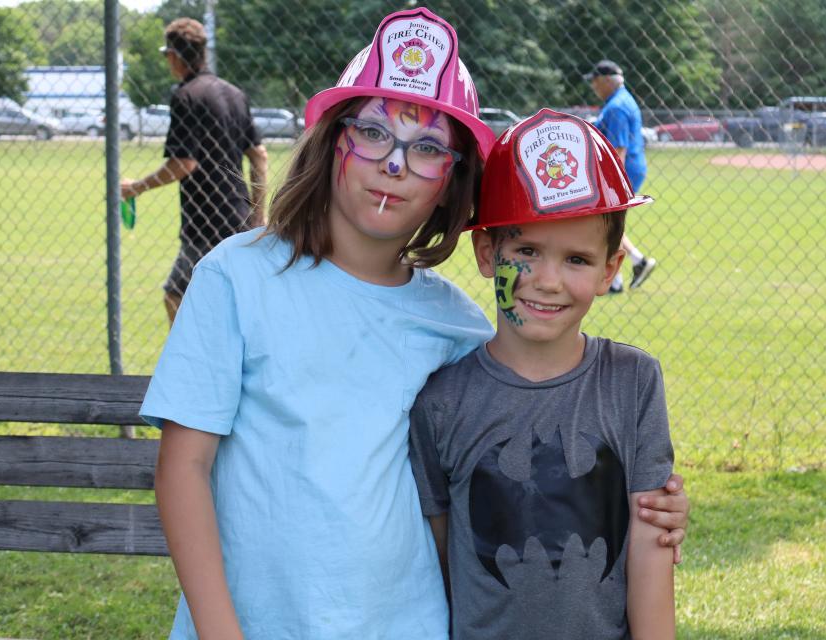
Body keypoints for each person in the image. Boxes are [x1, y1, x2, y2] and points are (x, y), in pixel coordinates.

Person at [141, 9, 688, 639]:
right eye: (373, 133)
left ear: (454, 179)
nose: (395, 164)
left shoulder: (454, 324)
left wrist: (650, 505)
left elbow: (523, 448)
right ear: (332, 139)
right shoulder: (235, 278)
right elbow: (183, 469)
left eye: (428, 147)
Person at [409, 109, 675, 639]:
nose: (548, 281)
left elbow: (652, 548)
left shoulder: (633, 382)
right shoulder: (441, 400)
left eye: (577, 259)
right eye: (526, 251)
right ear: (487, 252)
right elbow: (438, 562)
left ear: (609, 270)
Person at [121, 18, 268, 324]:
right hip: (239, 218)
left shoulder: (186, 95)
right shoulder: (233, 94)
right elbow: (259, 156)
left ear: (174, 56)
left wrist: (137, 187)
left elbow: (183, 164)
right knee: (231, 303)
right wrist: (258, 212)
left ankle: (190, 367)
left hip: (205, 221)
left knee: (175, 295)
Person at [585, 59, 657, 293]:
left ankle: (636, 263)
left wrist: (614, 182)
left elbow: (618, 149)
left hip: (624, 170)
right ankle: (619, 277)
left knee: (605, 223)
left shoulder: (616, 107)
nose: (594, 86)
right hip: (632, 167)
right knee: (606, 223)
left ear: (607, 80)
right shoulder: (618, 101)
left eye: (596, 82)